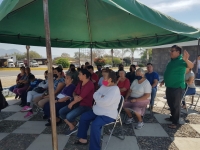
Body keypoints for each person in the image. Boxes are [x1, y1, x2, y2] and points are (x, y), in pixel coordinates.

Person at [74, 70, 121, 150]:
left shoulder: (115, 89)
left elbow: (105, 102)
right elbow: (95, 94)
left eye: (104, 77)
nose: (102, 79)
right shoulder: (104, 86)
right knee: (84, 117)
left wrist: (100, 98)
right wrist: (101, 97)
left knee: (95, 125)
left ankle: (94, 148)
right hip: (98, 110)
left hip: (108, 114)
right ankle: (83, 139)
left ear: (110, 79)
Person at [160, 45, 193, 129]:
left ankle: (175, 122)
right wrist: (164, 80)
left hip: (177, 87)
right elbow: (169, 72)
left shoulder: (182, 60)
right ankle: (172, 117)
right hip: (169, 86)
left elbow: (191, 66)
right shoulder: (171, 61)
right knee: (170, 104)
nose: (170, 52)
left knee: (175, 105)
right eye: (170, 50)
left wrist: (186, 59)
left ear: (178, 52)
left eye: (172, 51)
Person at [59, 69, 94, 136]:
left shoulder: (89, 84)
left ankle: (74, 124)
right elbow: (74, 92)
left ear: (84, 75)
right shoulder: (80, 83)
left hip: (85, 105)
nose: (78, 76)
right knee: (61, 112)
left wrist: (72, 103)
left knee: (69, 116)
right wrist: (75, 96)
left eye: (79, 74)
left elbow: (80, 98)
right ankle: (72, 126)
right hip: (76, 103)